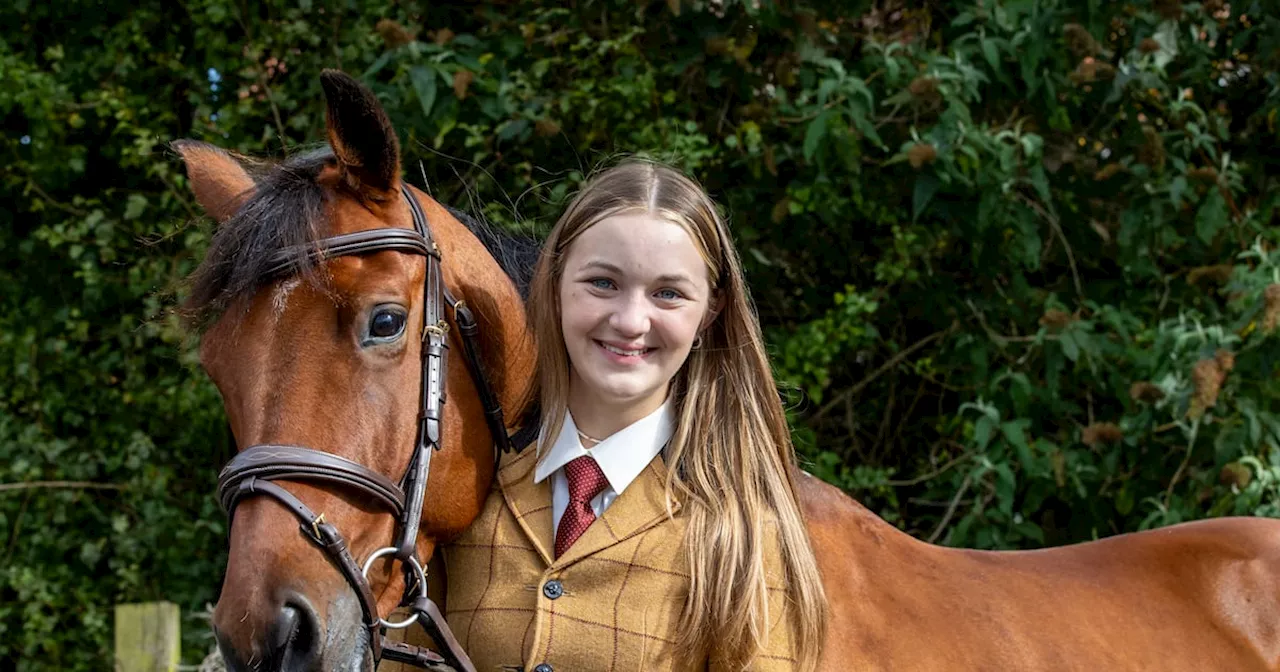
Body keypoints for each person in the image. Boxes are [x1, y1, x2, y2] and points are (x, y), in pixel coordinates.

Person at [441, 159, 827, 670]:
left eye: (668, 293)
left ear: (709, 311)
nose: (629, 321)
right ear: (555, 283)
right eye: (602, 283)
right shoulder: (465, 489)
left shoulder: (742, 538)